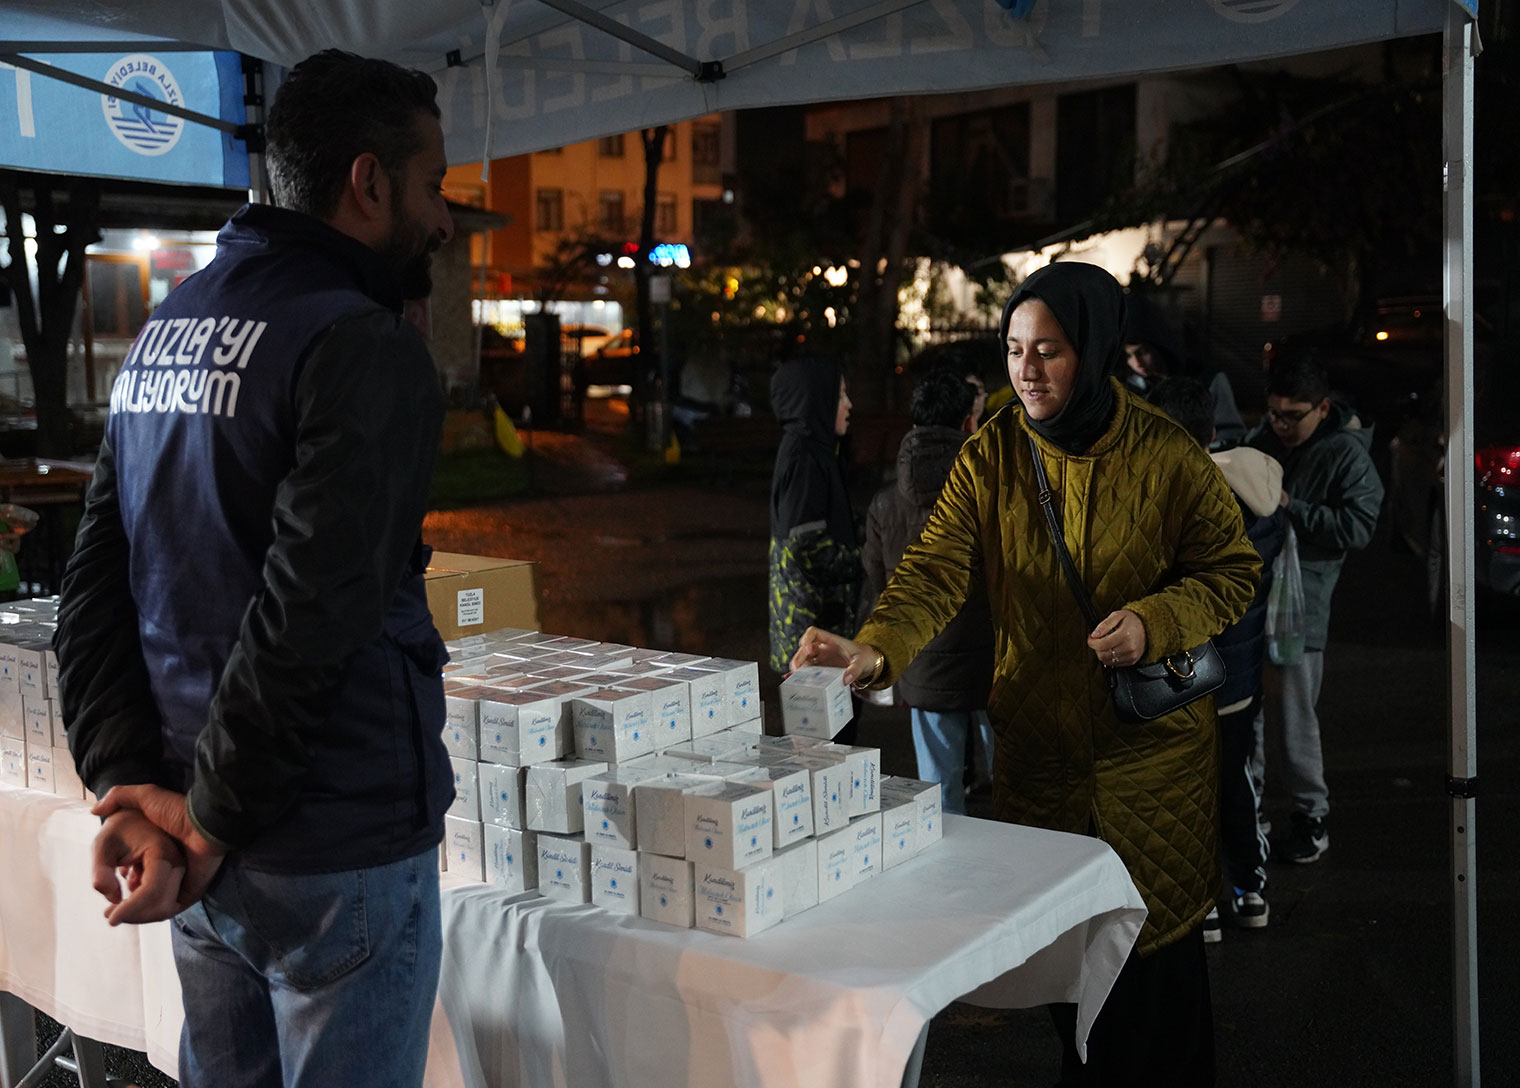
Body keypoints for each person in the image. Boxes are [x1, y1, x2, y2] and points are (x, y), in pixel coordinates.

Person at [54, 50, 455, 1088]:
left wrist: (134, 789)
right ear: (367, 183)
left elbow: (94, 585)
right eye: (433, 187)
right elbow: (310, 613)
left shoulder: (170, 325)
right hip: (331, 845)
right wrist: (204, 815)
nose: (445, 220)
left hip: (207, 846)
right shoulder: (363, 344)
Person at [792, 262, 1260, 1085]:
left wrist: (1157, 621)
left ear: (1095, 350)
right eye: (1013, 350)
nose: (1028, 370)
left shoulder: (1164, 451)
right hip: (1041, 762)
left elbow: (1231, 570)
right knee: (1068, 982)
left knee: (1153, 992)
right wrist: (875, 649)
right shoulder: (995, 453)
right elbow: (935, 568)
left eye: (1049, 349)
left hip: (1150, 769)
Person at [1149, 377, 1286, 938]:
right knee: (1236, 782)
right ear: (1211, 430)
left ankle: (1199, 903)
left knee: (1180, 789)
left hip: (1178, 678)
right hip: (1238, 677)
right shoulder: (1260, 490)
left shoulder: (1166, 499)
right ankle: (1249, 888)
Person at [1244, 355, 1383, 864]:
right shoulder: (1264, 438)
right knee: (1248, 716)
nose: (1281, 425)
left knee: (1294, 714)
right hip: (1255, 598)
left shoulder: (1347, 454)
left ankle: (1310, 815)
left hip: (1305, 608)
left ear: (1322, 408)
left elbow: (1359, 527)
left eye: (1292, 416)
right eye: (1274, 414)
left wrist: (1292, 508)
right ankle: (1251, 811)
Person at [860, 370, 994, 815]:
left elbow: (882, 586)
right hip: (993, 658)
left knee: (939, 793)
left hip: (923, 661)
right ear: (966, 423)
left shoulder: (883, 502)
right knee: (1014, 790)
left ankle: (951, 879)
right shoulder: (990, 486)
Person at [768, 357, 860, 743]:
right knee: (827, 753)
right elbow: (806, 543)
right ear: (816, 400)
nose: (849, 404)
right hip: (812, 640)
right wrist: (861, 560)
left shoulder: (811, 450)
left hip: (814, 631)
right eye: (840, 394)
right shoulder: (806, 458)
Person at [1122, 292, 1246, 449]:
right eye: (1128, 355)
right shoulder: (1130, 387)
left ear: (1159, 346)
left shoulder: (1209, 379)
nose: (1136, 362)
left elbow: (1232, 435)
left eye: (1142, 352)